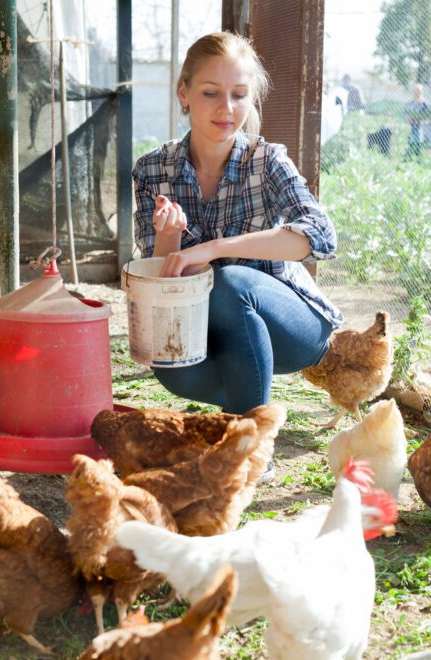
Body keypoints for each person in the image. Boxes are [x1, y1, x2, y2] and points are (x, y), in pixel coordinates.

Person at [132, 32, 343, 481]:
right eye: (211, 93)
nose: (226, 108)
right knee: (170, 369)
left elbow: (320, 235)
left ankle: (252, 451)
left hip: (291, 325)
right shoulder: (153, 169)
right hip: (211, 335)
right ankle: (236, 417)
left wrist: (215, 248)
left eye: (239, 95)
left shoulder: (267, 161)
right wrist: (168, 238)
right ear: (184, 93)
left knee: (230, 280)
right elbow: (160, 278)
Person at [404, 84, 429, 158]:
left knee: (418, 140)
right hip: (411, 124)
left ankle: (417, 157)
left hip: (420, 124)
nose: (417, 92)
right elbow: (406, 112)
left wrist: (419, 117)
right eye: (416, 91)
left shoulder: (424, 103)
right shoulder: (410, 103)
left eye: (419, 91)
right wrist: (409, 118)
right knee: (411, 140)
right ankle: (409, 156)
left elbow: (426, 115)